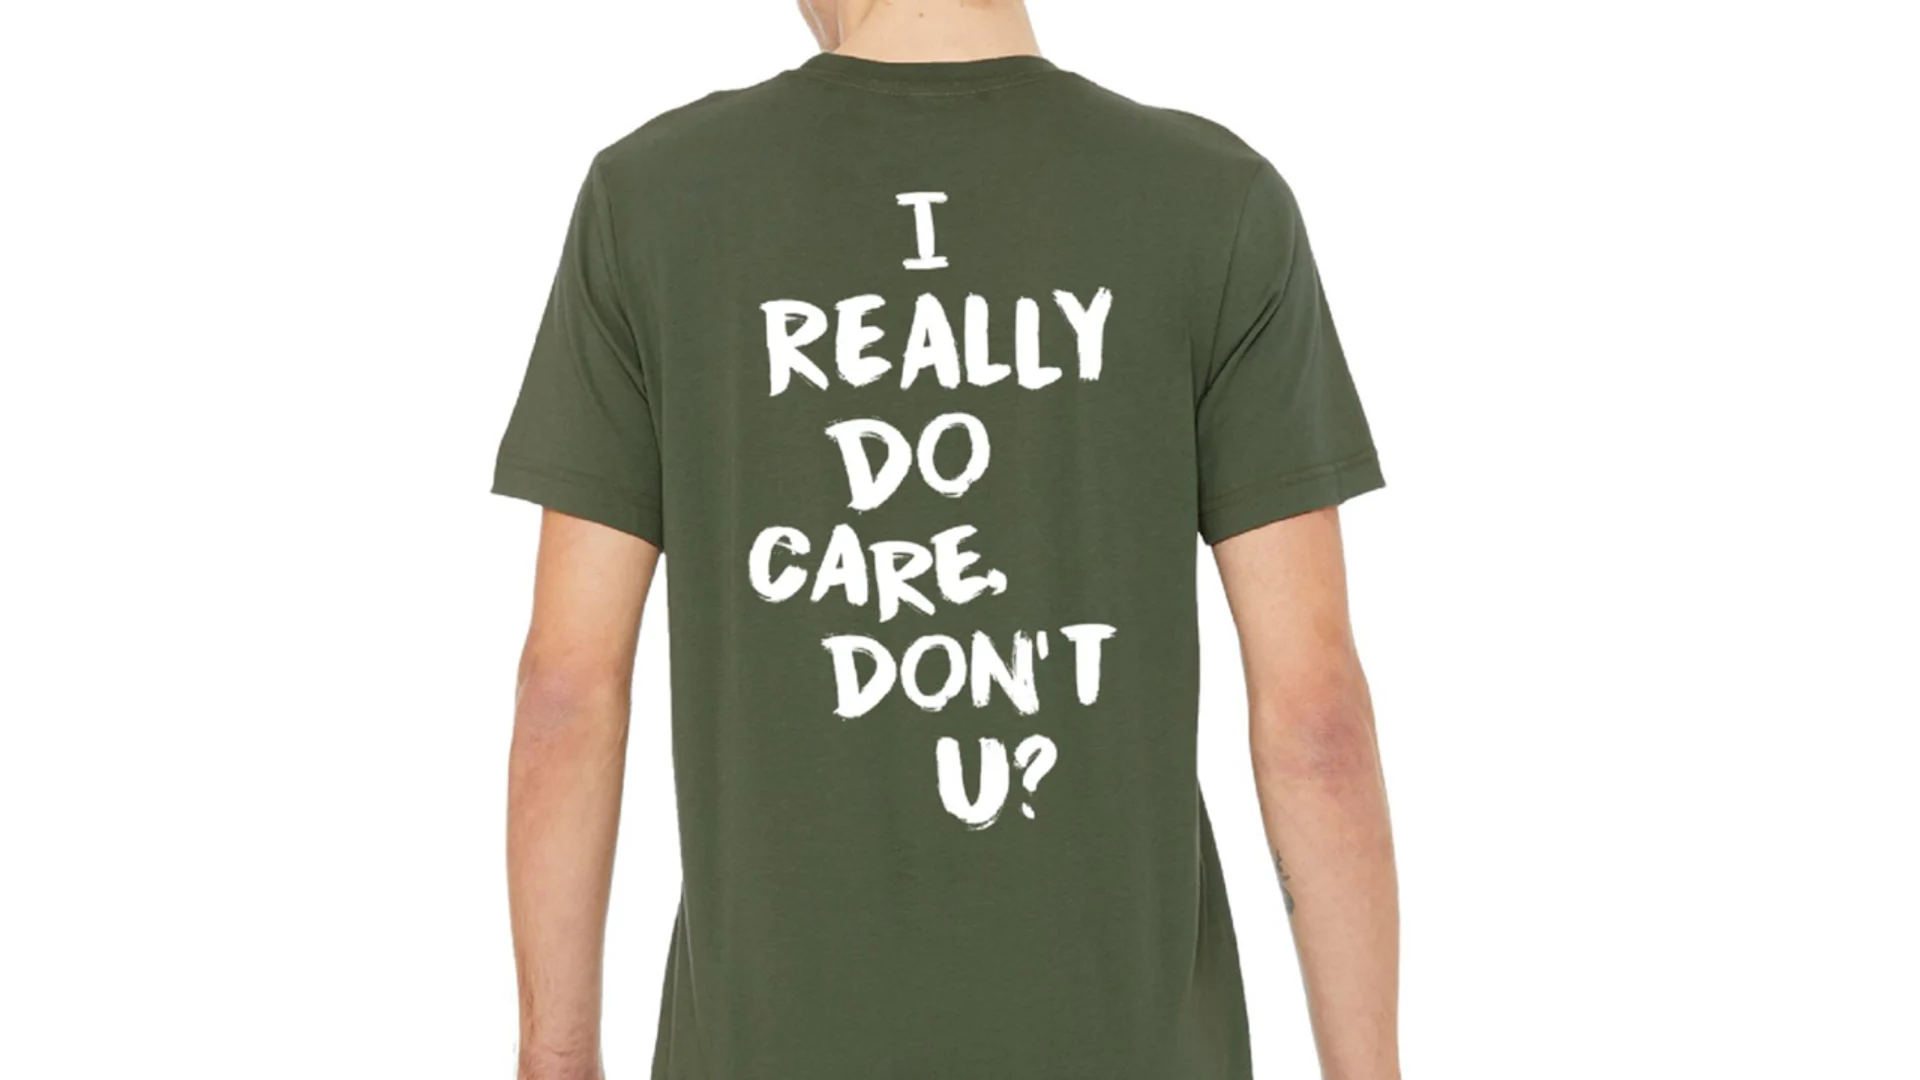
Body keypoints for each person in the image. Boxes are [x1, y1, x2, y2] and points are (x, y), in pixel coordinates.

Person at [492, 1, 1399, 1077]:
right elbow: (1314, 717)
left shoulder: (653, 200)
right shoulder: (1216, 203)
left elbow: (566, 690)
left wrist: (556, 1057)